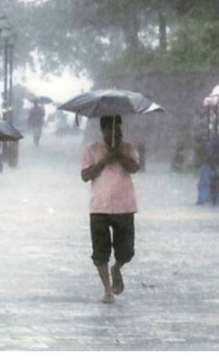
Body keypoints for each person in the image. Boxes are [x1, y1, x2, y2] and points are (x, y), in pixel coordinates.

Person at [80, 115, 140, 304]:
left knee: (127, 250)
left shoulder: (128, 148)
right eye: (111, 130)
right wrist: (105, 160)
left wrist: (118, 154)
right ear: (103, 130)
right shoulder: (92, 150)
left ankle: (117, 267)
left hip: (125, 206)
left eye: (119, 130)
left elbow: (134, 167)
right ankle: (107, 290)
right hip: (100, 206)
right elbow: (85, 175)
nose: (116, 134)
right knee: (100, 251)